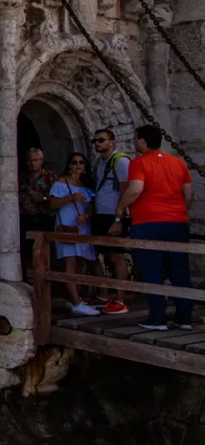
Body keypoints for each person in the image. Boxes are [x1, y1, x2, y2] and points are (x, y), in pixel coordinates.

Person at [112, 123, 194, 331]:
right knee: (180, 270)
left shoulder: (138, 163)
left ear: (142, 141)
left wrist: (121, 208)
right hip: (177, 222)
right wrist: (177, 211)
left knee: (152, 270)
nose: (134, 142)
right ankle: (184, 318)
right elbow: (189, 194)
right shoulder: (178, 163)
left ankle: (157, 318)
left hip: (148, 222)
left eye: (135, 139)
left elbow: (136, 189)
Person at [49, 153, 99, 313]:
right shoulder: (61, 182)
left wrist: (86, 216)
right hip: (67, 225)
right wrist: (71, 197)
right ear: (69, 165)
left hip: (82, 226)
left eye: (81, 163)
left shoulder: (86, 184)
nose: (78, 165)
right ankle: (77, 302)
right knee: (69, 261)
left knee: (80, 262)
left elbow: (91, 205)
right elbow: (53, 203)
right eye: (74, 162)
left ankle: (75, 298)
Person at [90, 126, 131, 314]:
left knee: (117, 257)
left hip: (113, 216)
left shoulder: (120, 161)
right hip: (101, 215)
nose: (97, 144)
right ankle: (107, 295)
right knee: (105, 255)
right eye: (95, 141)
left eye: (101, 140)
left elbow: (125, 190)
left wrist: (118, 218)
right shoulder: (100, 162)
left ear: (111, 142)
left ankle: (121, 299)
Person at [18, 145, 55, 278]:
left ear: (42, 160)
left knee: (42, 251)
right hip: (25, 218)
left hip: (43, 219)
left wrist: (43, 198)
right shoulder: (21, 177)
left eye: (36, 160)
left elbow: (56, 198)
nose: (33, 163)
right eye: (30, 160)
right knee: (26, 250)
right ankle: (30, 279)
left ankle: (43, 280)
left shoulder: (50, 177)